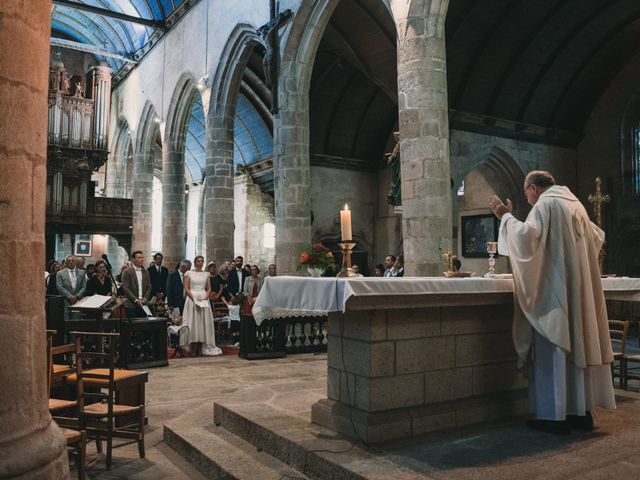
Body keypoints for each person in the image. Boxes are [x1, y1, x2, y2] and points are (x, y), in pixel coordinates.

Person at [488, 170, 615, 435]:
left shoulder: (546, 204)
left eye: (526, 192)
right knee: (576, 350)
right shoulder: (575, 203)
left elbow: (527, 239)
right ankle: (580, 412)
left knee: (553, 349)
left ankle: (553, 417)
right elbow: (595, 236)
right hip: (577, 290)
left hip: (555, 295)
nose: (527, 197)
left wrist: (505, 216)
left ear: (533, 188)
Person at [182, 256, 222, 356]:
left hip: (203, 299)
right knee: (192, 322)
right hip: (192, 299)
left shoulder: (206, 274)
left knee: (202, 322)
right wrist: (194, 298)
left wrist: (205, 297)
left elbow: (209, 288)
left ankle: (200, 346)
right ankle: (193, 346)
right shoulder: (189, 273)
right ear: (195, 262)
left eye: (202, 261)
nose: (200, 263)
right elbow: (186, 288)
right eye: (198, 261)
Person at [121, 250, 152, 318]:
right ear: (133, 259)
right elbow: (126, 288)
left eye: (142, 257)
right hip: (131, 304)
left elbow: (149, 287)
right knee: (132, 327)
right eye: (139, 257)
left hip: (144, 304)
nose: (142, 259)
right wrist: (136, 300)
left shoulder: (146, 272)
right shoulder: (127, 272)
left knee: (143, 325)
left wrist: (144, 299)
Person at [56, 255, 87, 320]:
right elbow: (59, 287)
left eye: (73, 261)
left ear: (76, 262)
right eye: (69, 261)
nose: (71, 262)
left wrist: (77, 296)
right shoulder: (60, 273)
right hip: (66, 300)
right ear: (66, 263)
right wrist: (69, 296)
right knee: (66, 321)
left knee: (76, 321)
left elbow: (84, 287)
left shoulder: (82, 273)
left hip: (78, 300)